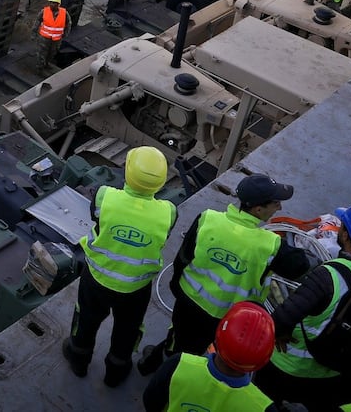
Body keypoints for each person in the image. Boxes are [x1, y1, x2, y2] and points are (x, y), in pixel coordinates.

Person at [139, 174, 308, 375]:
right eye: (276, 203)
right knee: (193, 351)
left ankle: (153, 363)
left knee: (178, 338)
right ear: (258, 209)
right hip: (230, 316)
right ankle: (171, 376)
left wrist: (178, 289)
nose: (279, 208)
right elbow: (301, 265)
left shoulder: (207, 219)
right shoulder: (270, 246)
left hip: (189, 302)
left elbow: (182, 259)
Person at [255, 202, 351, 412]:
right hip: (336, 372)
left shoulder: (328, 275)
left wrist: (281, 333)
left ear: (346, 236)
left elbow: (282, 318)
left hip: (291, 367)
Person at [63, 146, 177, 387]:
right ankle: (116, 371)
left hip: (97, 279)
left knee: (86, 320)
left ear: (128, 172)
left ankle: (78, 359)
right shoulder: (168, 212)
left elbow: (96, 216)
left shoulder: (105, 196)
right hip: (136, 287)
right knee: (128, 330)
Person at [142, 301, 281, 412]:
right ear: (262, 360)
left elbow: (150, 402)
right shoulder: (262, 407)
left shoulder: (178, 364)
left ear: (217, 336)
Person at [32, 0, 71, 71]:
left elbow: (68, 23)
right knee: (42, 53)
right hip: (44, 38)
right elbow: (37, 21)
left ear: (58, 4)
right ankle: (39, 67)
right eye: (51, 2)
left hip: (56, 39)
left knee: (51, 53)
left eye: (54, 3)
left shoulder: (64, 13)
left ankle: (46, 64)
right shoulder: (44, 11)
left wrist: (65, 33)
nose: (52, 4)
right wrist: (34, 33)